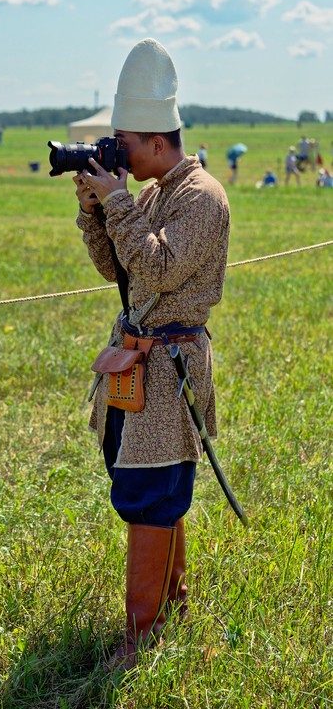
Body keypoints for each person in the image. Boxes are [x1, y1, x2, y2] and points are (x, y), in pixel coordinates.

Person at [74, 39, 230, 670]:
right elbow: (120, 268)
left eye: (125, 143)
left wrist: (117, 203)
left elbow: (158, 267)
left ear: (157, 142)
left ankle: (142, 637)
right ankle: (172, 606)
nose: (119, 156)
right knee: (154, 491)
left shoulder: (201, 197)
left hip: (168, 371)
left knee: (151, 494)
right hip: (140, 364)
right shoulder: (158, 189)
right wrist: (95, 214)